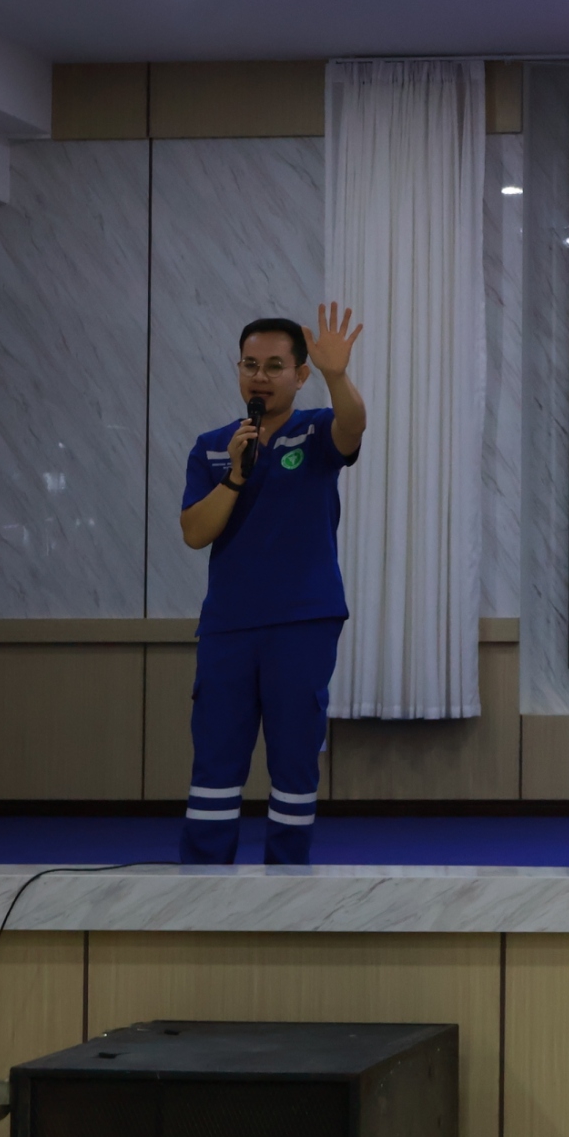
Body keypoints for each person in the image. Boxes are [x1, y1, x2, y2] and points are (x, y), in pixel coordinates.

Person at [177, 305, 366, 865]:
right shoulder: (214, 446)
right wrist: (236, 473)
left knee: (294, 759)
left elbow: (353, 427)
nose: (260, 376)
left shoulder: (315, 431)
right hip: (229, 625)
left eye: (275, 366)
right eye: (250, 365)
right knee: (216, 756)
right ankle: (204, 881)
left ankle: (287, 883)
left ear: (300, 374)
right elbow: (195, 533)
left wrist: (337, 375)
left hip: (303, 621)